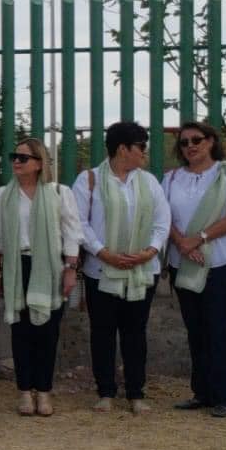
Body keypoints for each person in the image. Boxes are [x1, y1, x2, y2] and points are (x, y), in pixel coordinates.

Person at [72, 120, 170, 416]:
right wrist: (103, 253)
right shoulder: (88, 179)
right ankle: (105, 392)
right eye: (141, 146)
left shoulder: (148, 181)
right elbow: (79, 222)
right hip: (101, 270)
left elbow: (162, 220)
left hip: (142, 269)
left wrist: (149, 251)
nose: (145, 153)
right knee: (103, 332)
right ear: (122, 149)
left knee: (135, 332)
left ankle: (136, 392)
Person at [163, 121, 226, 419]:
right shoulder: (170, 178)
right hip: (184, 260)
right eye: (184, 142)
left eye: (197, 140)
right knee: (195, 329)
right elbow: (163, 216)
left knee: (217, 328)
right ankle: (201, 392)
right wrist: (183, 244)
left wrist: (199, 239)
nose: (190, 146)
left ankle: (224, 396)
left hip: (222, 261)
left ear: (211, 141)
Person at [0, 138, 81, 417]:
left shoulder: (59, 193)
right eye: (13, 156)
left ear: (39, 163)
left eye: (23, 158)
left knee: (47, 333)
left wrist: (70, 270)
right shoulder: (3, 195)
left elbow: (72, 233)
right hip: (18, 267)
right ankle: (25, 392)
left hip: (50, 267)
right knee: (21, 333)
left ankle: (44, 391)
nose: (16, 161)